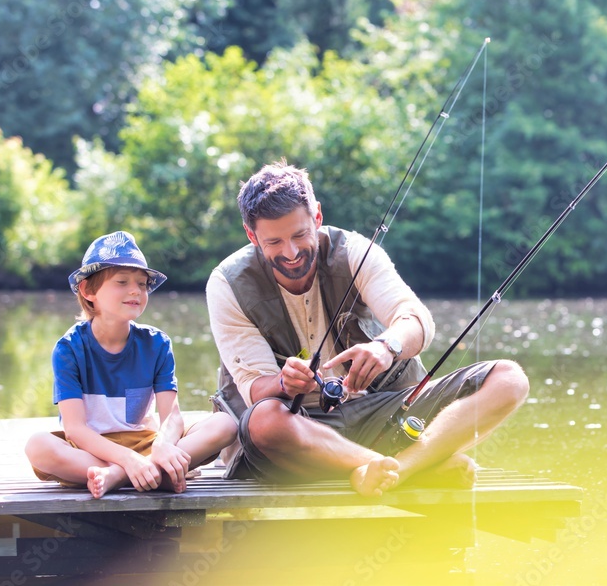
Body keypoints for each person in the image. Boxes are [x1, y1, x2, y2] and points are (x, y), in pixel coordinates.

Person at [207, 159, 529, 496]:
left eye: (300, 235)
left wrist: (385, 347)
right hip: (298, 430)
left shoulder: (355, 252)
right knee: (263, 420)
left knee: (509, 379)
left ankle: (396, 469)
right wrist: (284, 383)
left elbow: (417, 320)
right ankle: (412, 464)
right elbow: (254, 390)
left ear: (317, 216)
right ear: (251, 235)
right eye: (273, 242)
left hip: (384, 414)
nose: (290, 253)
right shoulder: (227, 283)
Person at [25, 231, 237, 498]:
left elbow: (171, 416)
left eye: (142, 283)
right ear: (88, 290)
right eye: (122, 282)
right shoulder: (69, 348)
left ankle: (117, 477)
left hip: (146, 444)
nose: (135, 290)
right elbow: (75, 429)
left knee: (224, 425)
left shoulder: (157, 344)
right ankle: (155, 475)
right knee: (38, 447)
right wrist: (128, 459)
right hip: (91, 450)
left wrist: (162, 445)